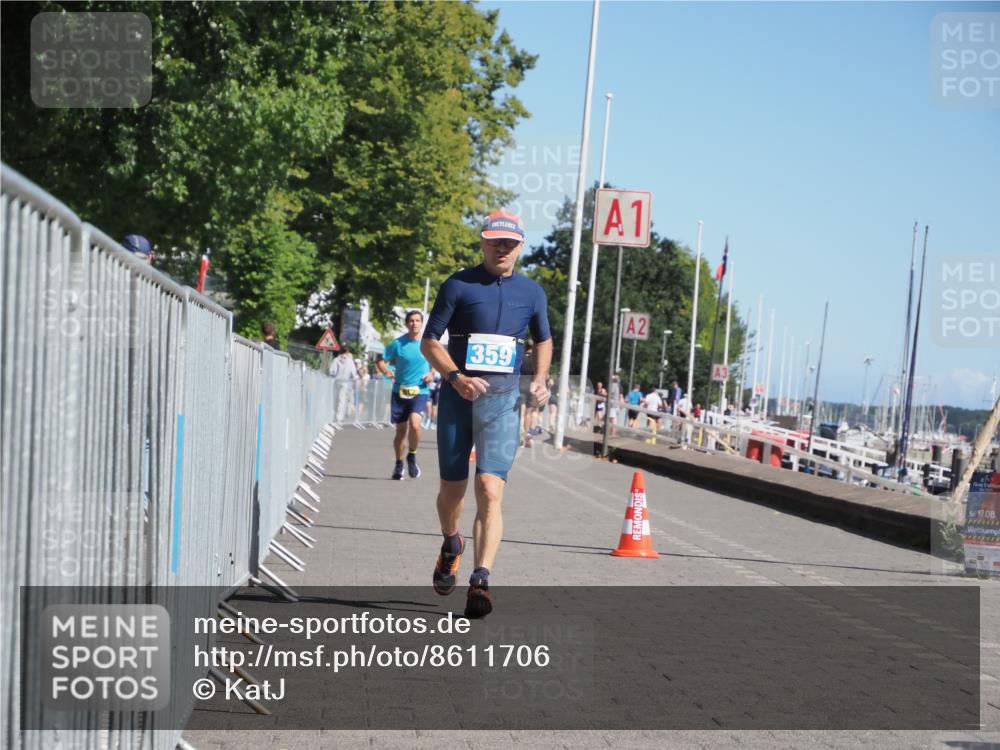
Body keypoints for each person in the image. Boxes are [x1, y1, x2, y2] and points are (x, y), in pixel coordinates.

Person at [420, 210, 551, 619]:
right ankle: (451, 542)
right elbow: (429, 343)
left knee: (491, 490)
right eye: (495, 241)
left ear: (520, 248)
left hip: (502, 402)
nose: (501, 248)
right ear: (482, 242)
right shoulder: (458, 284)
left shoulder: (532, 293)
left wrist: (541, 378)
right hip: (459, 399)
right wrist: (456, 377)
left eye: (509, 243)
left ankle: (481, 579)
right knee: (452, 493)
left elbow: (543, 339)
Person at [378, 310, 433, 480]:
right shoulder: (397, 344)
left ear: (422, 323)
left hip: (420, 390)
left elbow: (438, 360)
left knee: (415, 425)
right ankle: (399, 463)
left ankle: (412, 455)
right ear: (406, 323)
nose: (414, 323)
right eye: (411, 320)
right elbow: (381, 360)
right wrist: (385, 370)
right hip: (400, 391)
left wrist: (432, 373)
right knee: (401, 431)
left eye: (417, 320)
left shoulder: (428, 342)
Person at [329, 345, 359, 422]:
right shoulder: (350, 361)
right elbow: (353, 374)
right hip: (345, 382)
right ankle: (339, 418)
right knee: (341, 400)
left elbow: (332, 371)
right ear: (347, 352)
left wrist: (334, 375)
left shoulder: (336, 360)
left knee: (334, 399)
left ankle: (333, 416)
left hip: (336, 381)